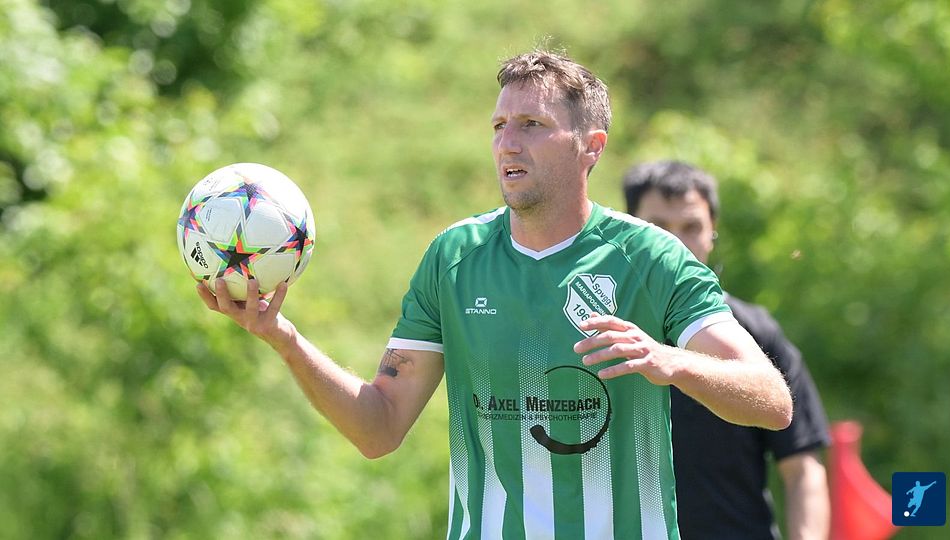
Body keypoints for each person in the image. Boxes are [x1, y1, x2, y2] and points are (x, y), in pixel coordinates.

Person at [197, 51, 793, 539]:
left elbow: (772, 400)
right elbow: (378, 429)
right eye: (499, 127)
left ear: (591, 145)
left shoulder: (652, 258)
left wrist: (670, 361)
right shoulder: (454, 258)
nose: (508, 143)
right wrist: (285, 339)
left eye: (532, 125)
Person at [623, 160, 831, 540]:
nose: (675, 243)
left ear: (712, 232)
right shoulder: (596, 329)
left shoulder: (754, 334)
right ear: (629, 229)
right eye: (659, 227)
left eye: (691, 227)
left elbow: (802, 468)